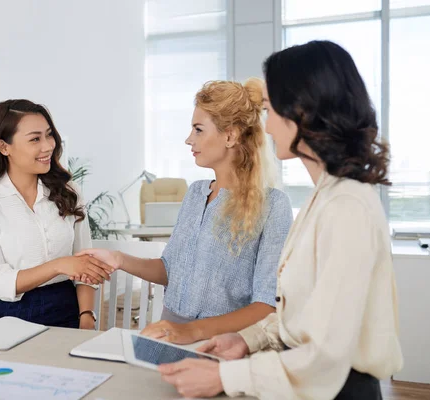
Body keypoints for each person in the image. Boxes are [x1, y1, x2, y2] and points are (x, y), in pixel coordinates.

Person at [157, 40, 403, 400]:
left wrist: (227, 378)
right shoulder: (324, 198)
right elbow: (300, 315)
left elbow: (326, 355)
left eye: (271, 109)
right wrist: (245, 339)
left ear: (301, 111)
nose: (267, 127)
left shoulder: (348, 208)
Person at [77, 79, 293, 344]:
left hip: (225, 343)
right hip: (170, 332)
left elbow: (266, 305)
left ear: (230, 135)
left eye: (198, 129)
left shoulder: (273, 205)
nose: (189, 139)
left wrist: (193, 332)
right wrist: (118, 258)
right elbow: (170, 270)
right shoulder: (195, 193)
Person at [0, 99, 114, 329]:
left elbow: (85, 262)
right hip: (13, 317)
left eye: (49, 135)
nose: (48, 146)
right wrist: (58, 265)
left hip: (70, 310)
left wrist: (87, 316)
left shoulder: (68, 192)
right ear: (4, 147)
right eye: (35, 139)